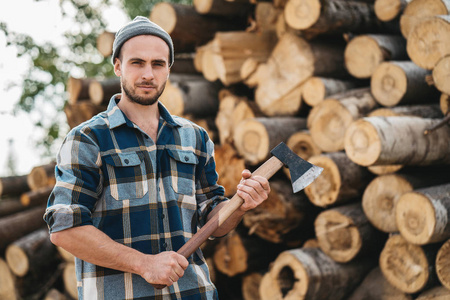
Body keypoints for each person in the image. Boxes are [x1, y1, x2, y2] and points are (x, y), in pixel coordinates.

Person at [44, 16, 270, 299]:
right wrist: (144, 264)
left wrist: (240, 205)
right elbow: (65, 229)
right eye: (137, 63)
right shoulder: (89, 139)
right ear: (117, 66)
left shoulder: (195, 138)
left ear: (168, 69)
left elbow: (213, 221)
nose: (148, 74)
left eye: (158, 64)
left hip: (194, 292)